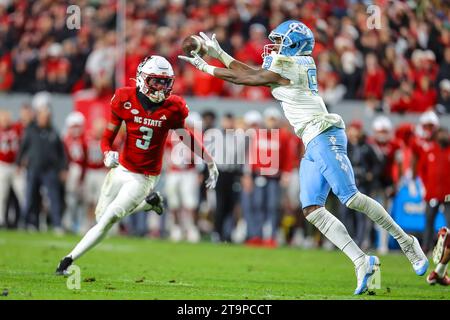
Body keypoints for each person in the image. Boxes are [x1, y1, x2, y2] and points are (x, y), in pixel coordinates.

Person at [179, 21, 428, 295]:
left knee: (350, 197)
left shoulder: (293, 64)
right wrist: (219, 53)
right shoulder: (288, 63)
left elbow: (247, 78)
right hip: (311, 140)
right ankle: (362, 260)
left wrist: (206, 67)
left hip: (325, 133)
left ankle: (407, 243)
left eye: (279, 41)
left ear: (294, 44)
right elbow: (252, 72)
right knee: (312, 210)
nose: (272, 46)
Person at [55, 56, 219, 275]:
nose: (161, 87)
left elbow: (185, 136)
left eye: (165, 82)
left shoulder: (173, 107)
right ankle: (149, 204)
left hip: (145, 175)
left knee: (108, 218)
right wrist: (106, 154)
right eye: (156, 81)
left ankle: (68, 261)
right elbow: (107, 137)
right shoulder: (124, 97)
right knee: (99, 216)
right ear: (142, 78)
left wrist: (209, 160)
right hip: (122, 168)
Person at [16, 92, 67, 232]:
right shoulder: (31, 130)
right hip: (33, 168)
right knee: (31, 197)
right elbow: (22, 148)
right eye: (44, 116)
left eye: (48, 116)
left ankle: (57, 224)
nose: (46, 118)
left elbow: (62, 153)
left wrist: (63, 168)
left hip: (50, 170)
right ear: (39, 117)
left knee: (53, 198)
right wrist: (18, 164)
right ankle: (29, 223)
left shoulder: (53, 132)